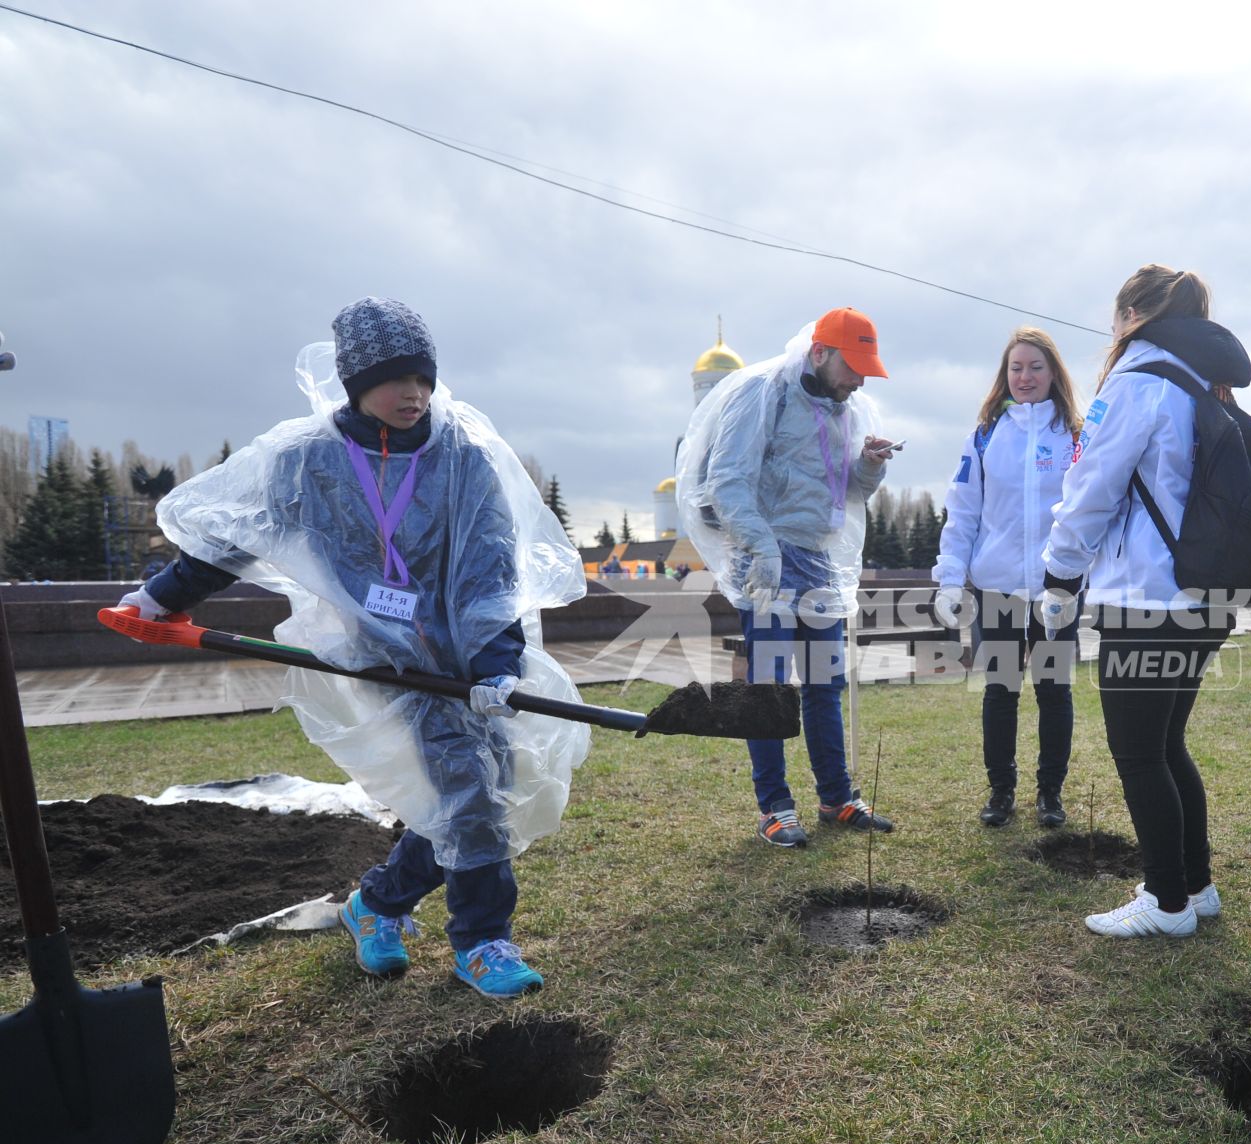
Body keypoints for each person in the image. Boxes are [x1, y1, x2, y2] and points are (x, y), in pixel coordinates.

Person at [118, 298, 588, 998]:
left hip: (464, 657)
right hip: (379, 656)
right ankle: (484, 941)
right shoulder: (308, 458)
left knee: (483, 790)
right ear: (356, 381)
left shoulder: (462, 455)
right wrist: (162, 598)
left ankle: (378, 904)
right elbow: (239, 535)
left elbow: (491, 568)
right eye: (396, 378)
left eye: (423, 379)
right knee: (468, 794)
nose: (414, 393)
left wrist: (496, 662)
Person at [1037, 264, 1245, 938]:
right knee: (1166, 743)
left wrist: (1061, 576)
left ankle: (1166, 901)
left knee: (1138, 752)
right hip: (1203, 595)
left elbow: (1090, 487)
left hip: (1146, 598)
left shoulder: (1138, 381)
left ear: (1132, 314)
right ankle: (1194, 883)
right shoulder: (1199, 380)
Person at [677, 308, 900, 848]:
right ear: (821, 353)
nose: (860, 380)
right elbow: (727, 481)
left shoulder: (843, 408)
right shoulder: (763, 393)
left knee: (826, 685)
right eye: (853, 366)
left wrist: (869, 465)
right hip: (768, 565)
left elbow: (848, 494)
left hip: (818, 563)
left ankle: (836, 797)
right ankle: (774, 807)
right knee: (770, 690)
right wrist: (762, 549)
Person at [932, 327, 1082, 828]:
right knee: (1001, 688)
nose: (1025, 377)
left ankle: (1050, 794)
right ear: (1005, 374)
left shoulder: (1076, 435)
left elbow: (1090, 510)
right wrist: (951, 577)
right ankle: (1000, 792)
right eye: (1016, 368)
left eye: (1035, 367)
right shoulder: (985, 434)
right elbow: (963, 511)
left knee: (1054, 689)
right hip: (995, 585)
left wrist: (1078, 579)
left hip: (1055, 586)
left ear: (1053, 373)